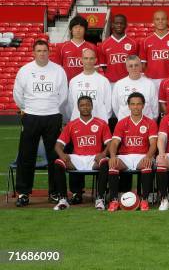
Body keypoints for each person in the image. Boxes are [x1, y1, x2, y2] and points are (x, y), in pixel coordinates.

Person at [13, 39, 68, 207]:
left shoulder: (58, 70)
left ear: (48, 52)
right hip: (31, 116)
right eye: (39, 51)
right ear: (33, 52)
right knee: (26, 155)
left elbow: (63, 95)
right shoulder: (25, 70)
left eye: (44, 50)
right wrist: (28, 108)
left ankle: (55, 192)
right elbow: (18, 94)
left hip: (52, 116)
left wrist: (51, 108)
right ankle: (23, 193)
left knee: (54, 156)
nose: (42, 53)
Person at [52, 95, 111, 210]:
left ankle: (100, 199)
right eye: (82, 105)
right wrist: (62, 155)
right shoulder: (71, 124)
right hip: (77, 158)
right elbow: (58, 145)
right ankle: (63, 199)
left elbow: (110, 143)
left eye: (88, 105)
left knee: (105, 162)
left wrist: (103, 153)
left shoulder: (101, 123)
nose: (85, 107)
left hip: (94, 158)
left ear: (92, 107)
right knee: (58, 162)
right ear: (78, 108)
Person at [107, 92, 158, 212]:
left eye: (139, 104)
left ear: (143, 105)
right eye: (133, 104)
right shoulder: (122, 123)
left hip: (142, 156)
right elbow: (114, 143)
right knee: (113, 164)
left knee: (147, 164)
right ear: (128, 106)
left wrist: (148, 156)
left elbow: (153, 144)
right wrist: (113, 156)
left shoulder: (150, 123)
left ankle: (145, 200)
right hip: (125, 157)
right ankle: (114, 201)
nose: (136, 107)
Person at [139, 10, 169, 90]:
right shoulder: (145, 41)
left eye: (163, 19)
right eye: (157, 19)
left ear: (167, 21)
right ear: (153, 21)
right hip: (151, 81)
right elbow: (143, 65)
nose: (160, 21)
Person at [66, 48, 112, 122]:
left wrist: (103, 119)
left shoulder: (103, 81)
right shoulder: (74, 81)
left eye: (91, 58)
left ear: (95, 60)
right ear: (81, 60)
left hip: (99, 121)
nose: (88, 61)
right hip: (78, 121)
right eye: (86, 58)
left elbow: (108, 105)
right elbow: (71, 104)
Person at [111, 55, 158, 121]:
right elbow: (115, 106)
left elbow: (154, 106)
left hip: (146, 123)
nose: (134, 68)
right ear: (127, 68)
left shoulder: (150, 84)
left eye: (136, 65)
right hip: (125, 124)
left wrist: (152, 121)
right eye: (131, 66)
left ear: (141, 66)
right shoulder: (119, 84)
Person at [97, 14, 139, 87]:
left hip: (130, 82)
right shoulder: (104, 45)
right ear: (112, 25)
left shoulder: (134, 43)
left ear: (126, 25)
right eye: (116, 23)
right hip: (111, 83)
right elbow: (104, 67)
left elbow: (136, 64)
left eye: (121, 23)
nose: (119, 25)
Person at [51, 16, 97, 81]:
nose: (78, 30)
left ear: (85, 30)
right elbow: (57, 68)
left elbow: (96, 68)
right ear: (71, 30)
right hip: (67, 84)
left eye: (81, 27)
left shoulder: (92, 47)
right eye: (75, 27)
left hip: (87, 84)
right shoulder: (62, 47)